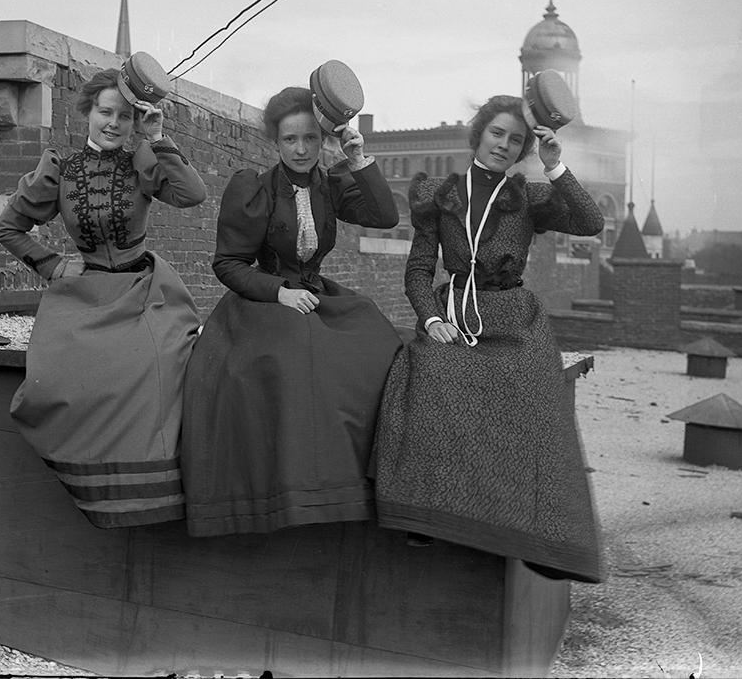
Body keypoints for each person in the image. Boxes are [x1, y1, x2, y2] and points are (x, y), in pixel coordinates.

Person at [370, 94, 606, 582]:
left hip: (514, 316)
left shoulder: (528, 196)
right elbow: (418, 270)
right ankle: (428, 512)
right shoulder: (438, 192)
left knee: (534, 386)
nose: (504, 144)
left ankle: (538, 531)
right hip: (454, 309)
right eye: (497, 133)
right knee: (432, 370)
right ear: (478, 134)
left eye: (515, 139)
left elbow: (591, 222)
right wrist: (432, 320)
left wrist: (556, 166)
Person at [0, 55, 207, 528]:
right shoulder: (60, 168)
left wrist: (156, 138)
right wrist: (51, 266)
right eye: (106, 112)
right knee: (53, 381)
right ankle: (92, 482)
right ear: (88, 111)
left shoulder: (142, 160)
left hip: (144, 290)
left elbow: (192, 194)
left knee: (160, 364)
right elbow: (9, 227)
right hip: (83, 294)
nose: (114, 123)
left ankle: (157, 488)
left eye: (125, 115)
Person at [181, 85, 402, 537]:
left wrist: (359, 159)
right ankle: (292, 489)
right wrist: (279, 292)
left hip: (317, 293)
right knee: (294, 357)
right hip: (263, 301)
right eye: (289, 140)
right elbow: (227, 264)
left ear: (323, 141)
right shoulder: (254, 188)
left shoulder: (333, 184)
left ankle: (357, 481)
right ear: (275, 142)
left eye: (310, 139)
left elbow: (385, 217)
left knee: (378, 345)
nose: (301, 150)